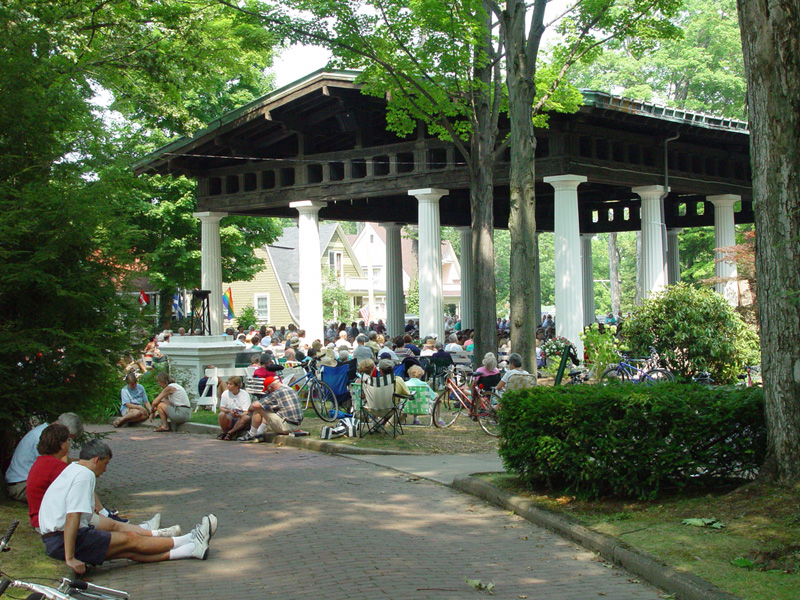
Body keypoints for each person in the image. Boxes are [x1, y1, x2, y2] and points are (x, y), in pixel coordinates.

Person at [39, 440, 216, 573]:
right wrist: (70, 557)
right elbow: (72, 515)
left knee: (128, 551)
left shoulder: (73, 468)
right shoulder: (85, 475)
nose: (105, 470)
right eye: (105, 464)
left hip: (53, 540)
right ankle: (189, 538)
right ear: (96, 460)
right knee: (130, 539)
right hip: (63, 539)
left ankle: (190, 550)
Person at [26, 424, 162, 534]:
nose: (69, 444)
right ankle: (144, 530)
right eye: (67, 440)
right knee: (111, 525)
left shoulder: (43, 462)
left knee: (105, 522)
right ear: (61, 444)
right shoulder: (55, 466)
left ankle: (140, 529)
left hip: (44, 517)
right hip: (49, 521)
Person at [5, 413, 84, 503]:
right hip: (21, 485)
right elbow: (55, 469)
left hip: (27, 482)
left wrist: (83, 463)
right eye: (68, 438)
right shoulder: (43, 438)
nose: (68, 442)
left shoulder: (46, 433)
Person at [240, 375, 304, 441]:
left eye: (268, 390)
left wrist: (249, 412)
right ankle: (259, 433)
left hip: (286, 427)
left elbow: (255, 405)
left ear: (272, 387)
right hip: (297, 426)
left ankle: (252, 434)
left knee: (258, 408)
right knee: (266, 409)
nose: (269, 393)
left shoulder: (277, 393)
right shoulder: (290, 389)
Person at [216, 376, 251, 441]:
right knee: (221, 414)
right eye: (227, 384)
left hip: (240, 414)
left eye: (231, 384)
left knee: (246, 418)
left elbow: (246, 411)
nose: (228, 386)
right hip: (229, 413)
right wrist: (229, 411)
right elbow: (222, 408)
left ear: (237, 386)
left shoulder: (244, 394)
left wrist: (240, 415)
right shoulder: (225, 394)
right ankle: (224, 432)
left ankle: (230, 433)